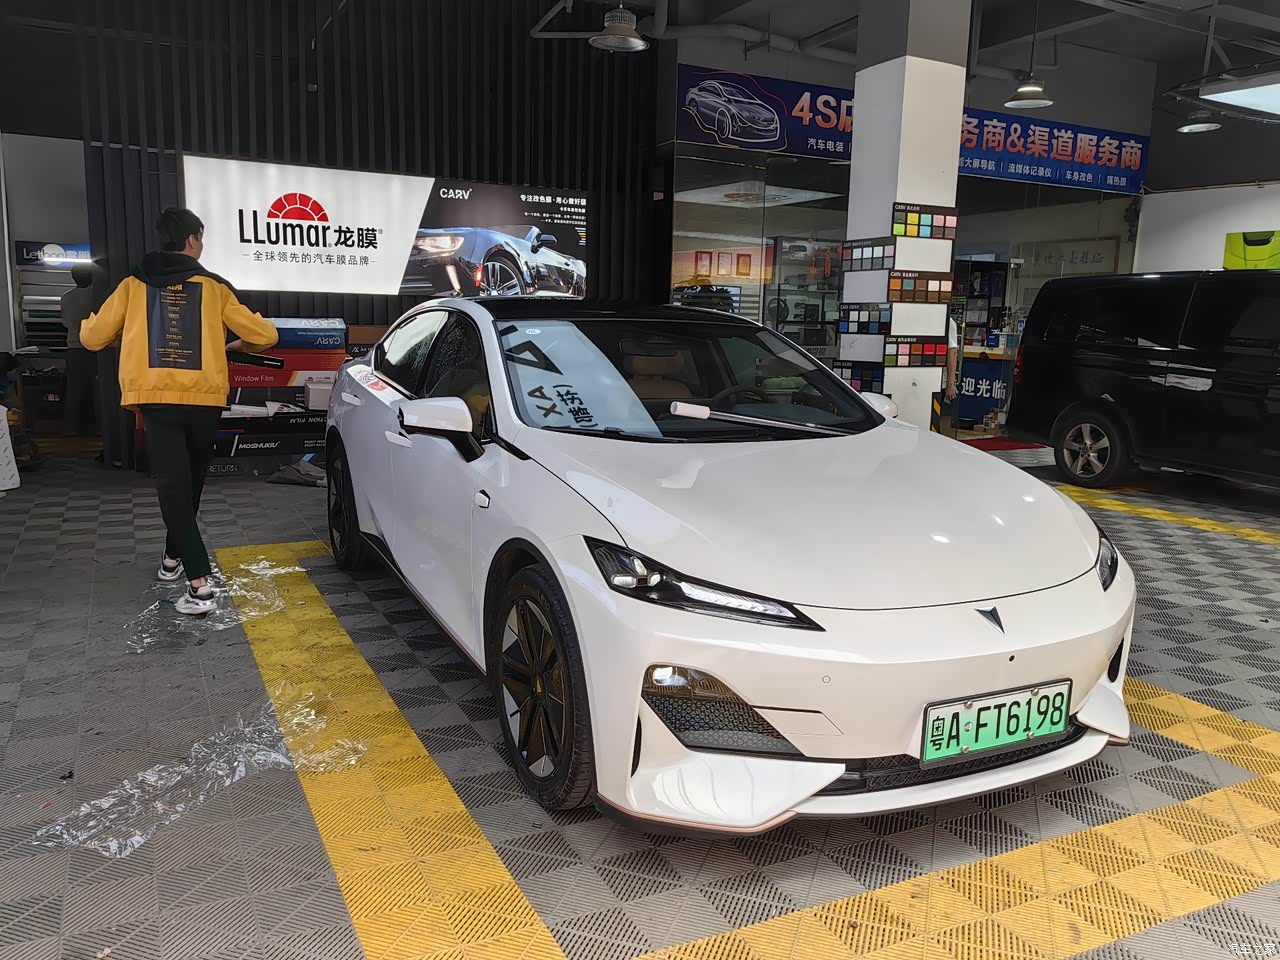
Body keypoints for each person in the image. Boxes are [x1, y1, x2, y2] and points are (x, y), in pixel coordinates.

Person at [81, 208, 278, 614]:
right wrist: (239, 345)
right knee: (189, 486)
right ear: (191, 240)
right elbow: (265, 335)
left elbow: (93, 338)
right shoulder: (214, 288)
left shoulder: (133, 285)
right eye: (201, 238)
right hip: (205, 399)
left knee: (176, 487)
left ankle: (174, 560)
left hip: (156, 398)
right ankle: (199, 584)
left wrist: (118, 332)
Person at [60, 263, 99, 436]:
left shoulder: (65, 298)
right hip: (95, 349)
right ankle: (101, 428)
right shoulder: (97, 296)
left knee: (74, 391)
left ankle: (71, 429)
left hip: (74, 349)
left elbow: (65, 323)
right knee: (99, 391)